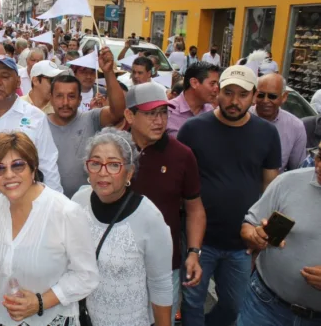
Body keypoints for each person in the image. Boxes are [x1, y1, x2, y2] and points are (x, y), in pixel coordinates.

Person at [177, 65, 282, 326]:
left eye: (243, 94)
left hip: (242, 244)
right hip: (199, 241)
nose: (234, 101)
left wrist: (262, 238)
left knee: (235, 306)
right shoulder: (193, 130)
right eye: (228, 92)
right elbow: (181, 183)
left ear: (253, 96)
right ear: (217, 92)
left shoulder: (268, 133)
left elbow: (271, 187)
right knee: (192, 302)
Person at [0, 132, 99, 326]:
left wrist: (39, 302)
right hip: (1, 319)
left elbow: (86, 276)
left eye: (18, 165)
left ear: (33, 166)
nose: (9, 175)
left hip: (51, 319)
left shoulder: (65, 212)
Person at [72, 128, 173, 326]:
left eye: (113, 165)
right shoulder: (78, 202)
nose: (103, 172)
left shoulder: (149, 217)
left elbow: (160, 285)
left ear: (129, 172)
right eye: (95, 163)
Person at [124, 83, 206, 325]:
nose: (159, 120)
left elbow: (195, 209)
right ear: (130, 115)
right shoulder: (114, 150)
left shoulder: (182, 155)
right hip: (119, 263)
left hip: (165, 267)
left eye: (163, 112)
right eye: (150, 114)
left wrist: (193, 252)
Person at [237, 144, 321, 326]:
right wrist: (254, 236)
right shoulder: (287, 182)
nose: (319, 166)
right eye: (319, 156)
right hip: (265, 306)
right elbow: (249, 225)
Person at [48, 47, 125, 198]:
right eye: (59, 96)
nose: (65, 102)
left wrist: (108, 72)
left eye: (71, 96)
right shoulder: (39, 124)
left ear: (80, 99)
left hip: (87, 208)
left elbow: (118, 111)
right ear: (51, 98)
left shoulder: (92, 119)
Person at [0, 55, 63, 192]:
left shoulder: (35, 117)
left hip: (20, 204)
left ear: (18, 82)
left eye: (5, 76)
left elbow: (48, 167)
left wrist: (56, 207)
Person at [250, 73, 306, 171]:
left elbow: (297, 170)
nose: (265, 100)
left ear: (284, 97)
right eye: (261, 95)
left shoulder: (296, 127)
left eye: (272, 96)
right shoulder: (241, 117)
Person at [167, 62, 220, 137]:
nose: (216, 89)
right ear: (194, 83)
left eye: (217, 84)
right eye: (212, 84)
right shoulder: (168, 111)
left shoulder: (212, 113)